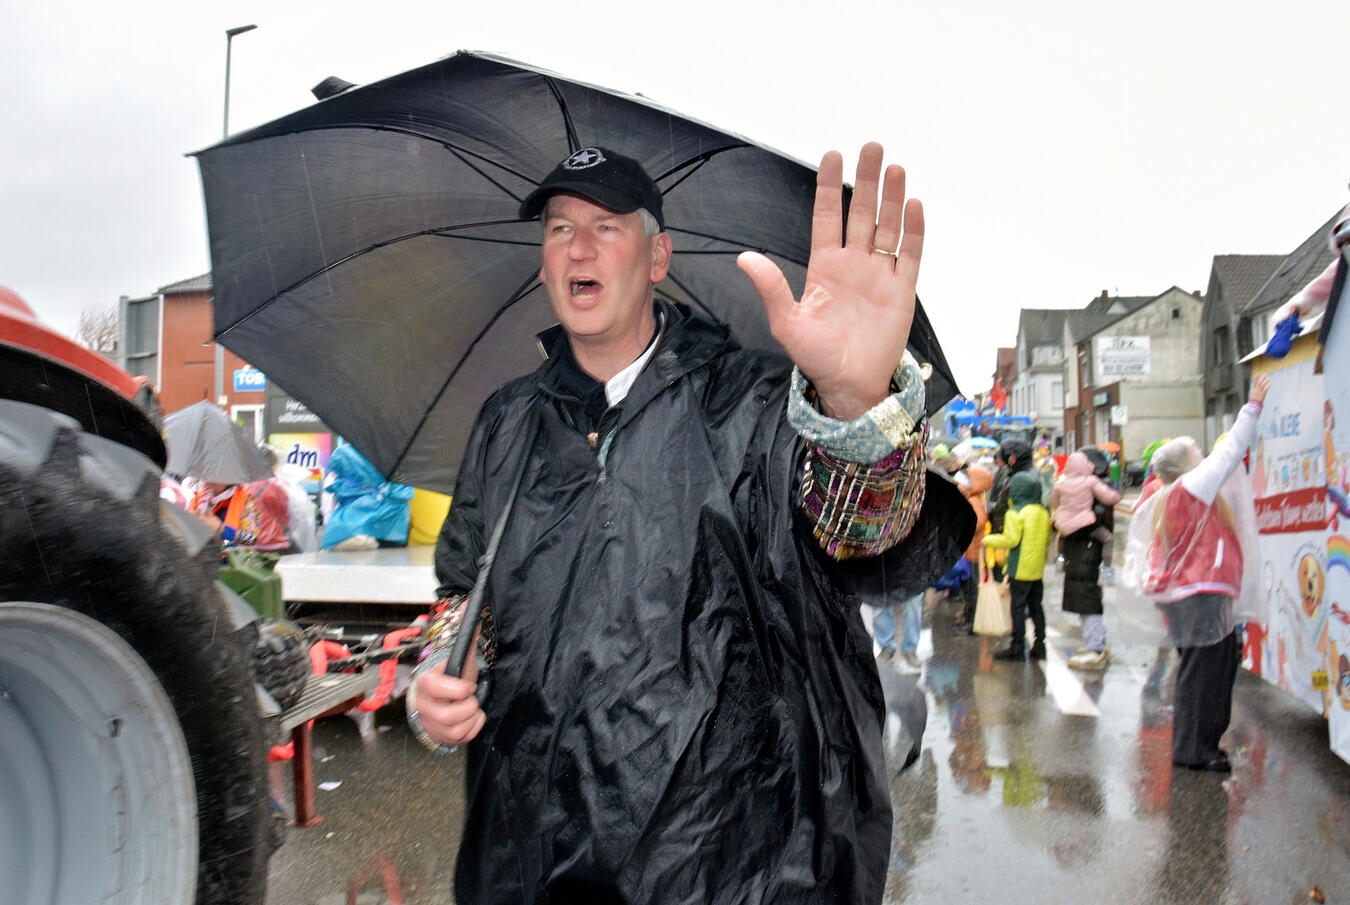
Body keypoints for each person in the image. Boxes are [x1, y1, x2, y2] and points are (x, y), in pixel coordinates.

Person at [406, 144, 973, 903]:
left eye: (607, 226)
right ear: (543, 265)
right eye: (558, 228)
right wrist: (441, 671)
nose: (578, 245)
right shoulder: (505, 421)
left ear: (658, 257)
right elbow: (461, 590)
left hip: (733, 864)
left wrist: (856, 409)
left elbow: (864, 537)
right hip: (530, 859)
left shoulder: (753, 404)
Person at [1123, 374, 1270, 773]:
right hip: (1200, 593)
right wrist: (1252, 405)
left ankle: (1201, 745)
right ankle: (1194, 749)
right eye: (1195, 453)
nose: (1202, 455)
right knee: (1203, 673)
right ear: (1184, 465)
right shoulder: (1190, 489)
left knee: (1206, 669)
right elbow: (1229, 452)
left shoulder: (1170, 493)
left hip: (1192, 594)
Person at [1051, 450, 1122, 670]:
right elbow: (1112, 499)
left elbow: (1053, 502)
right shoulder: (1093, 483)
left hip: (1076, 543)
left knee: (1085, 595)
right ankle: (1094, 643)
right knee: (1086, 593)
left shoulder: (1061, 484)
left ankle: (1096, 646)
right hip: (1088, 538)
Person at [982, 470, 1052, 661]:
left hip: (1019, 568)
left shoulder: (1015, 513)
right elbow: (1046, 539)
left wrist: (988, 539)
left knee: (1018, 608)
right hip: (1036, 569)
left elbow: (1011, 540)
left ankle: (1017, 647)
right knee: (1036, 606)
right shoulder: (1042, 512)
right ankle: (1040, 645)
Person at [987, 438, 1033, 581]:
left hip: (1008, 527)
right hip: (1004, 525)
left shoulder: (1021, 477)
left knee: (1005, 571)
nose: (1009, 459)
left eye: (1011, 456)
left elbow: (1007, 502)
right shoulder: (1012, 473)